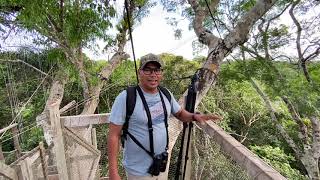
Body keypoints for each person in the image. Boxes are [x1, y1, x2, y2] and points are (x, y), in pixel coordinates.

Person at [107, 53, 221, 180]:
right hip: (138, 171)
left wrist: (195, 116)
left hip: (161, 165)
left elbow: (180, 113)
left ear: (161, 73)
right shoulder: (126, 97)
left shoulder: (165, 93)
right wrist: (113, 171)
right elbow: (113, 135)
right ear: (140, 72)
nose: (153, 74)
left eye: (157, 70)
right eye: (148, 70)